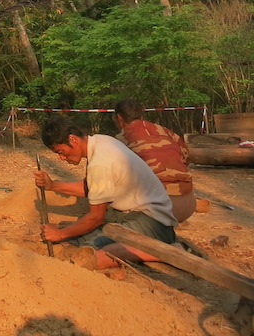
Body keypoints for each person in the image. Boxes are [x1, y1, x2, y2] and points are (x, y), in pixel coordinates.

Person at [34, 115, 177, 270]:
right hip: (134, 215)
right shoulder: (101, 141)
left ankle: (165, 253)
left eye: (61, 151)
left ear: (73, 139)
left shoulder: (99, 163)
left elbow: (96, 217)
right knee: (79, 237)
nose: (62, 158)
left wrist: (60, 234)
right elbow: (92, 188)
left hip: (154, 224)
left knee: (92, 251)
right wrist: (53, 185)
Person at [114, 99, 196, 223]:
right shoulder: (165, 131)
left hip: (159, 208)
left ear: (119, 118)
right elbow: (186, 158)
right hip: (188, 204)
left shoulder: (121, 139)